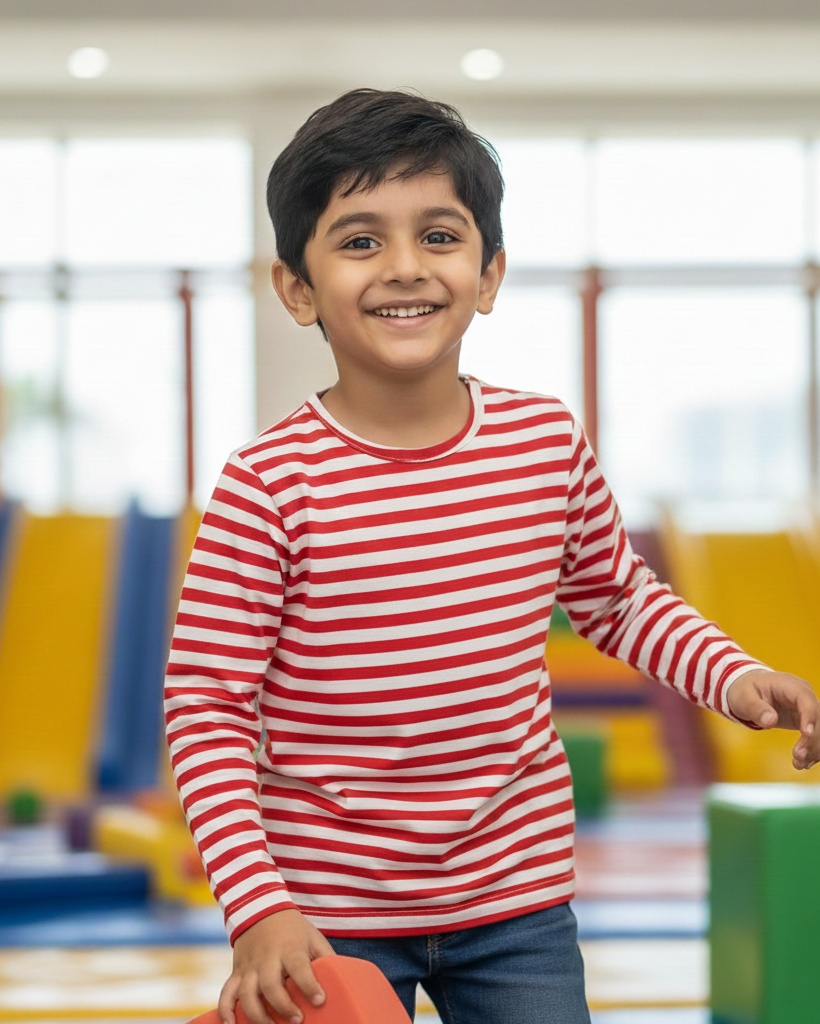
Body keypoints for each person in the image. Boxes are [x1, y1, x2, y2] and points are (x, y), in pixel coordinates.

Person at [164, 89, 820, 1024]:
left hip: (515, 898)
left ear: (491, 270)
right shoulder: (268, 483)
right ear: (296, 287)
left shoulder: (543, 441)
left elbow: (619, 600)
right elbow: (207, 706)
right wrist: (258, 906)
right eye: (359, 241)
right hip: (324, 914)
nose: (404, 267)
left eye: (439, 235)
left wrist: (738, 676)